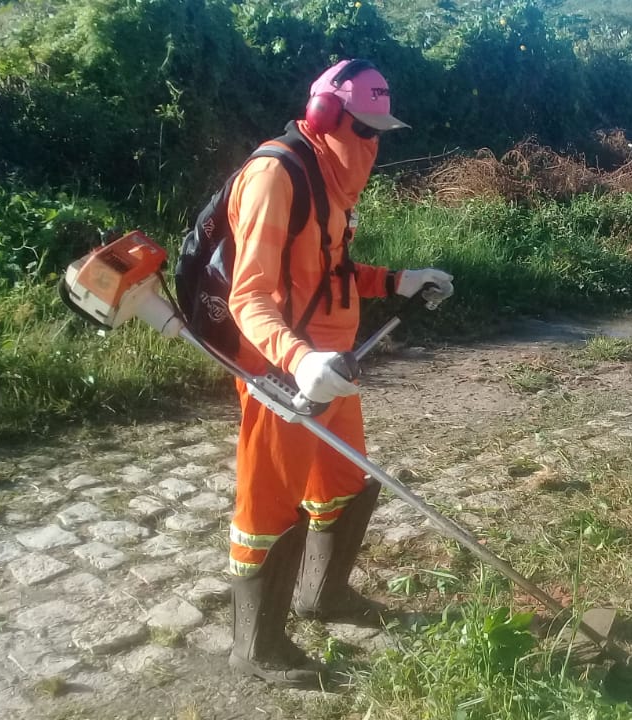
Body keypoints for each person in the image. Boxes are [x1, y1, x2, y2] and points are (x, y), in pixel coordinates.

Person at [224, 58, 454, 688]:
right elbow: (249, 297)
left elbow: (329, 272)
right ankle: (256, 647)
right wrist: (298, 358)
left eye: (380, 132)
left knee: (345, 483)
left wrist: (397, 281)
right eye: (364, 128)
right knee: (267, 506)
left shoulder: (330, 179)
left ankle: (322, 596)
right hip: (282, 371)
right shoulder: (277, 175)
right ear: (328, 116)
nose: (372, 143)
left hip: (334, 365)